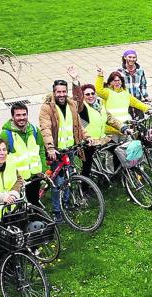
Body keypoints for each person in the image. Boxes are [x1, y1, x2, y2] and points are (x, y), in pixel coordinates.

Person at [39, 77, 88, 223]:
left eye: (64, 91)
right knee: (58, 182)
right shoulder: (47, 108)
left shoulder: (72, 104)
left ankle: (66, 204)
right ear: (54, 93)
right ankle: (56, 211)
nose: (61, 94)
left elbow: (78, 125)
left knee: (69, 178)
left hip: (70, 149)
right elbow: (45, 128)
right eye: (58, 92)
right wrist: (50, 147)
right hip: (56, 151)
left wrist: (86, 137)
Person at [0, 102, 45, 207]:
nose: (21, 118)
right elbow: (0, 158)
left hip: (35, 175)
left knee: (33, 201)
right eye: (18, 115)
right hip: (18, 180)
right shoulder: (6, 135)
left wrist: (43, 168)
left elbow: (41, 149)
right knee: (20, 206)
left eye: (24, 114)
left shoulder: (35, 130)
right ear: (12, 117)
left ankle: (36, 219)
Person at [117, 49, 150, 120]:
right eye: (129, 57)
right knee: (128, 121)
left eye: (134, 57)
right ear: (125, 57)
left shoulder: (140, 71)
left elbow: (143, 85)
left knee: (140, 121)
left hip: (138, 100)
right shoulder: (120, 71)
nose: (132, 59)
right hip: (126, 102)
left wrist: (145, 96)